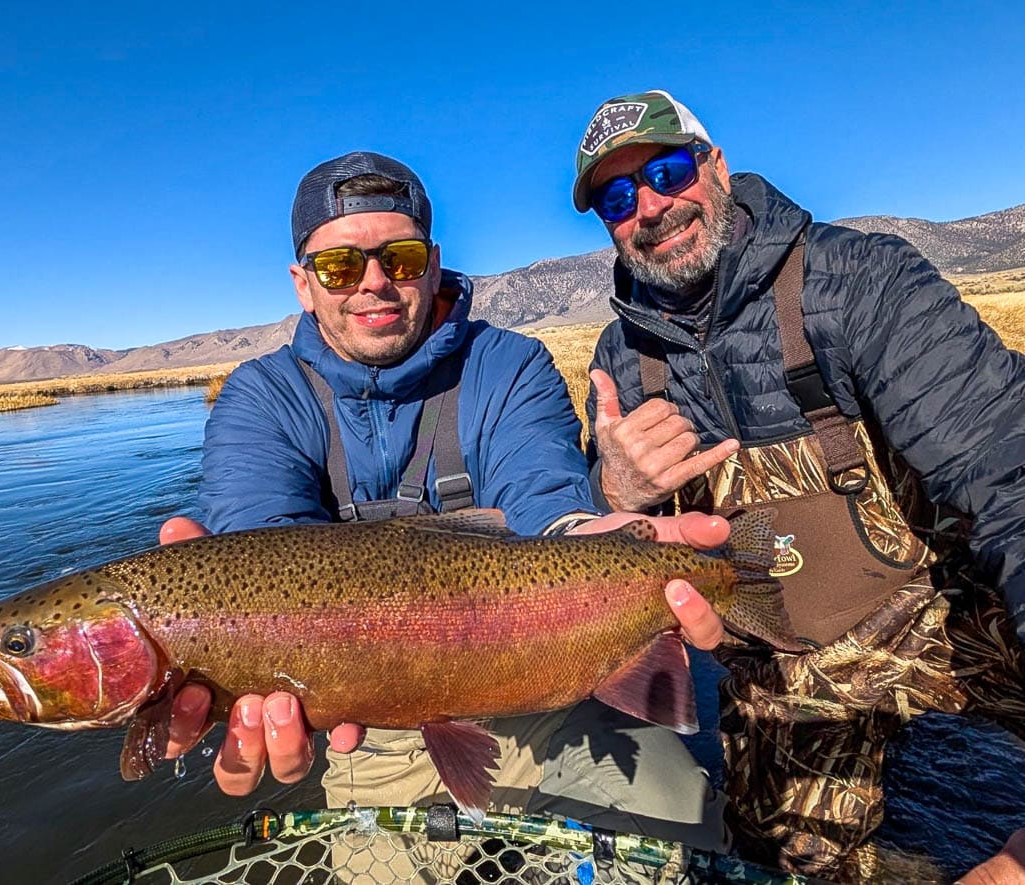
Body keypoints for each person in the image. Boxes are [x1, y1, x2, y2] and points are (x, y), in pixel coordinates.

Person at [160, 150, 735, 878]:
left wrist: (592, 533)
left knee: (674, 839)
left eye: (397, 257)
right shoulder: (260, 398)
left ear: (432, 264)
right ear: (303, 285)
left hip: (551, 684)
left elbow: (548, 501)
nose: (374, 282)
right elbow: (258, 548)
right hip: (373, 729)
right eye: (339, 267)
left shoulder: (511, 366)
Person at [571, 89, 1025, 880]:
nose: (648, 207)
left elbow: (1004, 466)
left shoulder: (858, 282)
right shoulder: (618, 362)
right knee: (783, 858)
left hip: (945, 614)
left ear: (716, 166)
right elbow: (589, 537)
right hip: (777, 665)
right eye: (616, 197)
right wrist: (615, 493)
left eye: (667, 171)